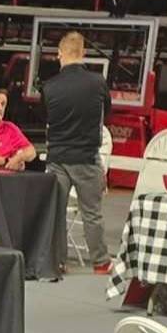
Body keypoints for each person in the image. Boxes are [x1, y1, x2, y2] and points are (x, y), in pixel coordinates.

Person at [42, 31, 112, 273]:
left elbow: (49, 119)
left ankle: (57, 262)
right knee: (92, 214)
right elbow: (106, 114)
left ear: (60, 54)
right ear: (83, 53)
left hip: (58, 158)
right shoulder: (98, 82)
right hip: (86, 157)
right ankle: (101, 262)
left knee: (56, 214)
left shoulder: (49, 87)